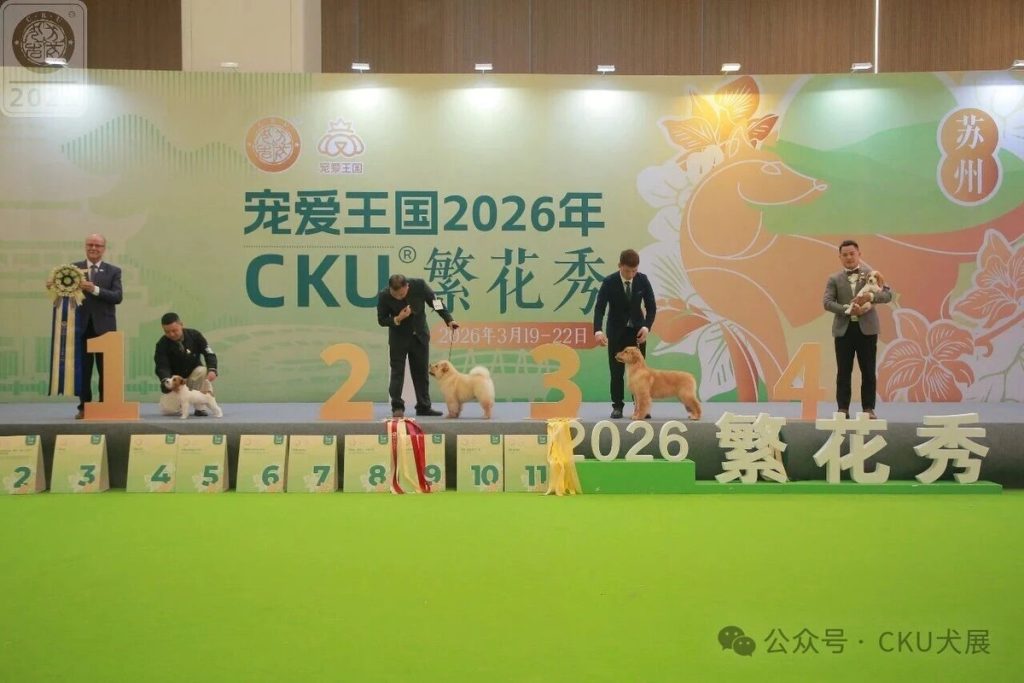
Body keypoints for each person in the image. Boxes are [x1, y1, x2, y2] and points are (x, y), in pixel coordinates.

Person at [823, 239, 894, 419]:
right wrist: (847, 309)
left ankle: (868, 409)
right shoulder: (834, 279)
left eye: (852, 254)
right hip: (844, 331)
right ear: (840, 257)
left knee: (868, 371)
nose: (849, 257)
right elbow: (827, 303)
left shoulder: (872, 274)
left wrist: (870, 297)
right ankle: (843, 409)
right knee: (843, 371)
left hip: (867, 330)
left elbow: (887, 295)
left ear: (859, 254)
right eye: (845, 255)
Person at [377, 274, 458, 418]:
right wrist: (398, 318)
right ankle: (397, 407)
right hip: (399, 339)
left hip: (419, 336)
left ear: (407, 286)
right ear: (390, 289)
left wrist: (449, 319)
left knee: (421, 372)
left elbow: (435, 302)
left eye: (402, 294)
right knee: (397, 373)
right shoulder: (384, 296)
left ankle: (424, 406)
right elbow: (382, 320)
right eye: (395, 295)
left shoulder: (419, 285)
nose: (399, 298)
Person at [62, 234, 123, 419]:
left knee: (106, 370)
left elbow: (117, 297)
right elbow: (64, 293)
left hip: (105, 328)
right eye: (90, 244)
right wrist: (55, 288)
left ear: (104, 248)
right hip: (81, 327)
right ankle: (84, 407)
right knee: (83, 370)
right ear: (85, 246)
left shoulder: (114, 271)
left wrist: (93, 289)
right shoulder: (73, 269)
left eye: (97, 245)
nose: (93, 248)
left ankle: (105, 405)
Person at [593, 249, 657, 419]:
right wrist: (598, 330)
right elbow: (599, 308)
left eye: (634, 271)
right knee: (616, 372)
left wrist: (647, 327)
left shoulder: (642, 280)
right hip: (616, 333)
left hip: (637, 333)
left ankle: (640, 406)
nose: (631, 275)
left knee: (639, 372)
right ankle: (617, 406)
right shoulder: (609, 282)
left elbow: (651, 307)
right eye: (628, 271)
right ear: (619, 266)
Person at [154, 312, 219, 416]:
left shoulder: (195, 335)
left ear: (181, 325)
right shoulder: (162, 344)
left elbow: (209, 353)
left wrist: (212, 369)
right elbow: (162, 366)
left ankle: (200, 407)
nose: (171, 334)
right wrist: (167, 382)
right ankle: (181, 405)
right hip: (176, 383)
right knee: (167, 410)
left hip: (194, 377)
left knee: (202, 370)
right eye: (167, 332)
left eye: (174, 330)